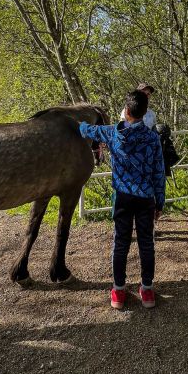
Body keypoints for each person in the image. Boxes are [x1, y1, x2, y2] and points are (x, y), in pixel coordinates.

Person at [80, 90, 166, 309]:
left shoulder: (112, 133)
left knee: (121, 243)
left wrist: (75, 121)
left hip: (123, 197)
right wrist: (160, 202)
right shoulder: (152, 138)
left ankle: (118, 291)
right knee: (147, 244)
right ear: (145, 113)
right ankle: (147, 290)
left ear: (126, 111)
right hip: (146, 197)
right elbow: (158, 172)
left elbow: (85, 129)